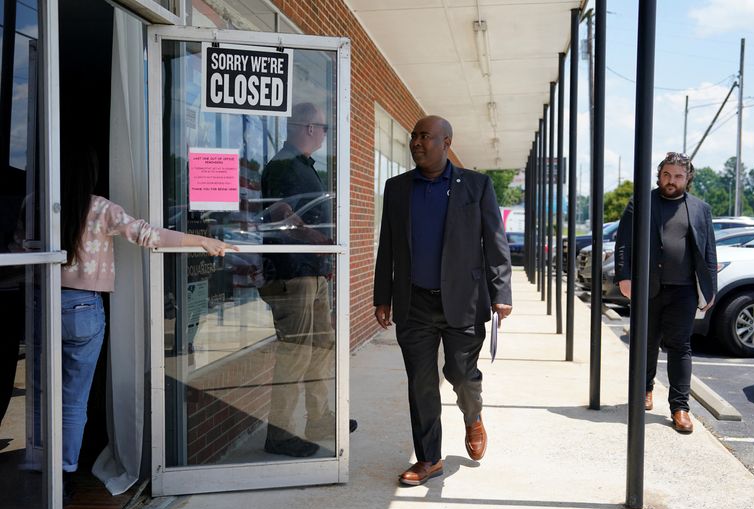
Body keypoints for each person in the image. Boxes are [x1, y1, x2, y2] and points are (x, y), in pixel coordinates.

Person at [48, 144, 235, 488]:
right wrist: (200, 240)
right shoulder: (100, 208)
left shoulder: (36, 205)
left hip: (42, 304)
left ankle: (37, 466)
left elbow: (21, 253)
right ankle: (63, 475)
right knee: (73, 399)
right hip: (83, 309)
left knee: (40, 392)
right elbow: (147, 235)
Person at [373, 115, 513, 485]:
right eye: (413, 137)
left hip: (463, 300)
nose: (416, 142)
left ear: (446, 142)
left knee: (462, 374)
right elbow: (387, 245)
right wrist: (382, 296)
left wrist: (501, 293)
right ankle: (429, 459)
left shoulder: (477, 186)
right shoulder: (398, 188)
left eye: (425, 137)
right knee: (420, 383)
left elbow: (495, 243)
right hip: (413, 302)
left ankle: (473, 417)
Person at [259, 102, 356, 458]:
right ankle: (280, 435)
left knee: (321, 347)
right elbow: (281, 215)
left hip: (314, 273)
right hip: (292, 274)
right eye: (323, 128)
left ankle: (319, 418)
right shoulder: (283, 165)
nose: (325, 134)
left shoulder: (304, 166)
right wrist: (320, 240)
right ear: (309, 128)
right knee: (295, 353)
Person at [614, 151, 717, 434]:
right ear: (659, 175)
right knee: (645, 342)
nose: (671, 181)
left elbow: (708, 252)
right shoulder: (641, 203)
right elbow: (623, 243)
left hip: (683, 290)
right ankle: (644, 389)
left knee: (680, 347)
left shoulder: (699, 209)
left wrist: (710, 291)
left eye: (678, 176)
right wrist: (624, 277)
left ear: (688, 179)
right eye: (667, 175)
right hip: (648, 287)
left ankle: (680, 408)